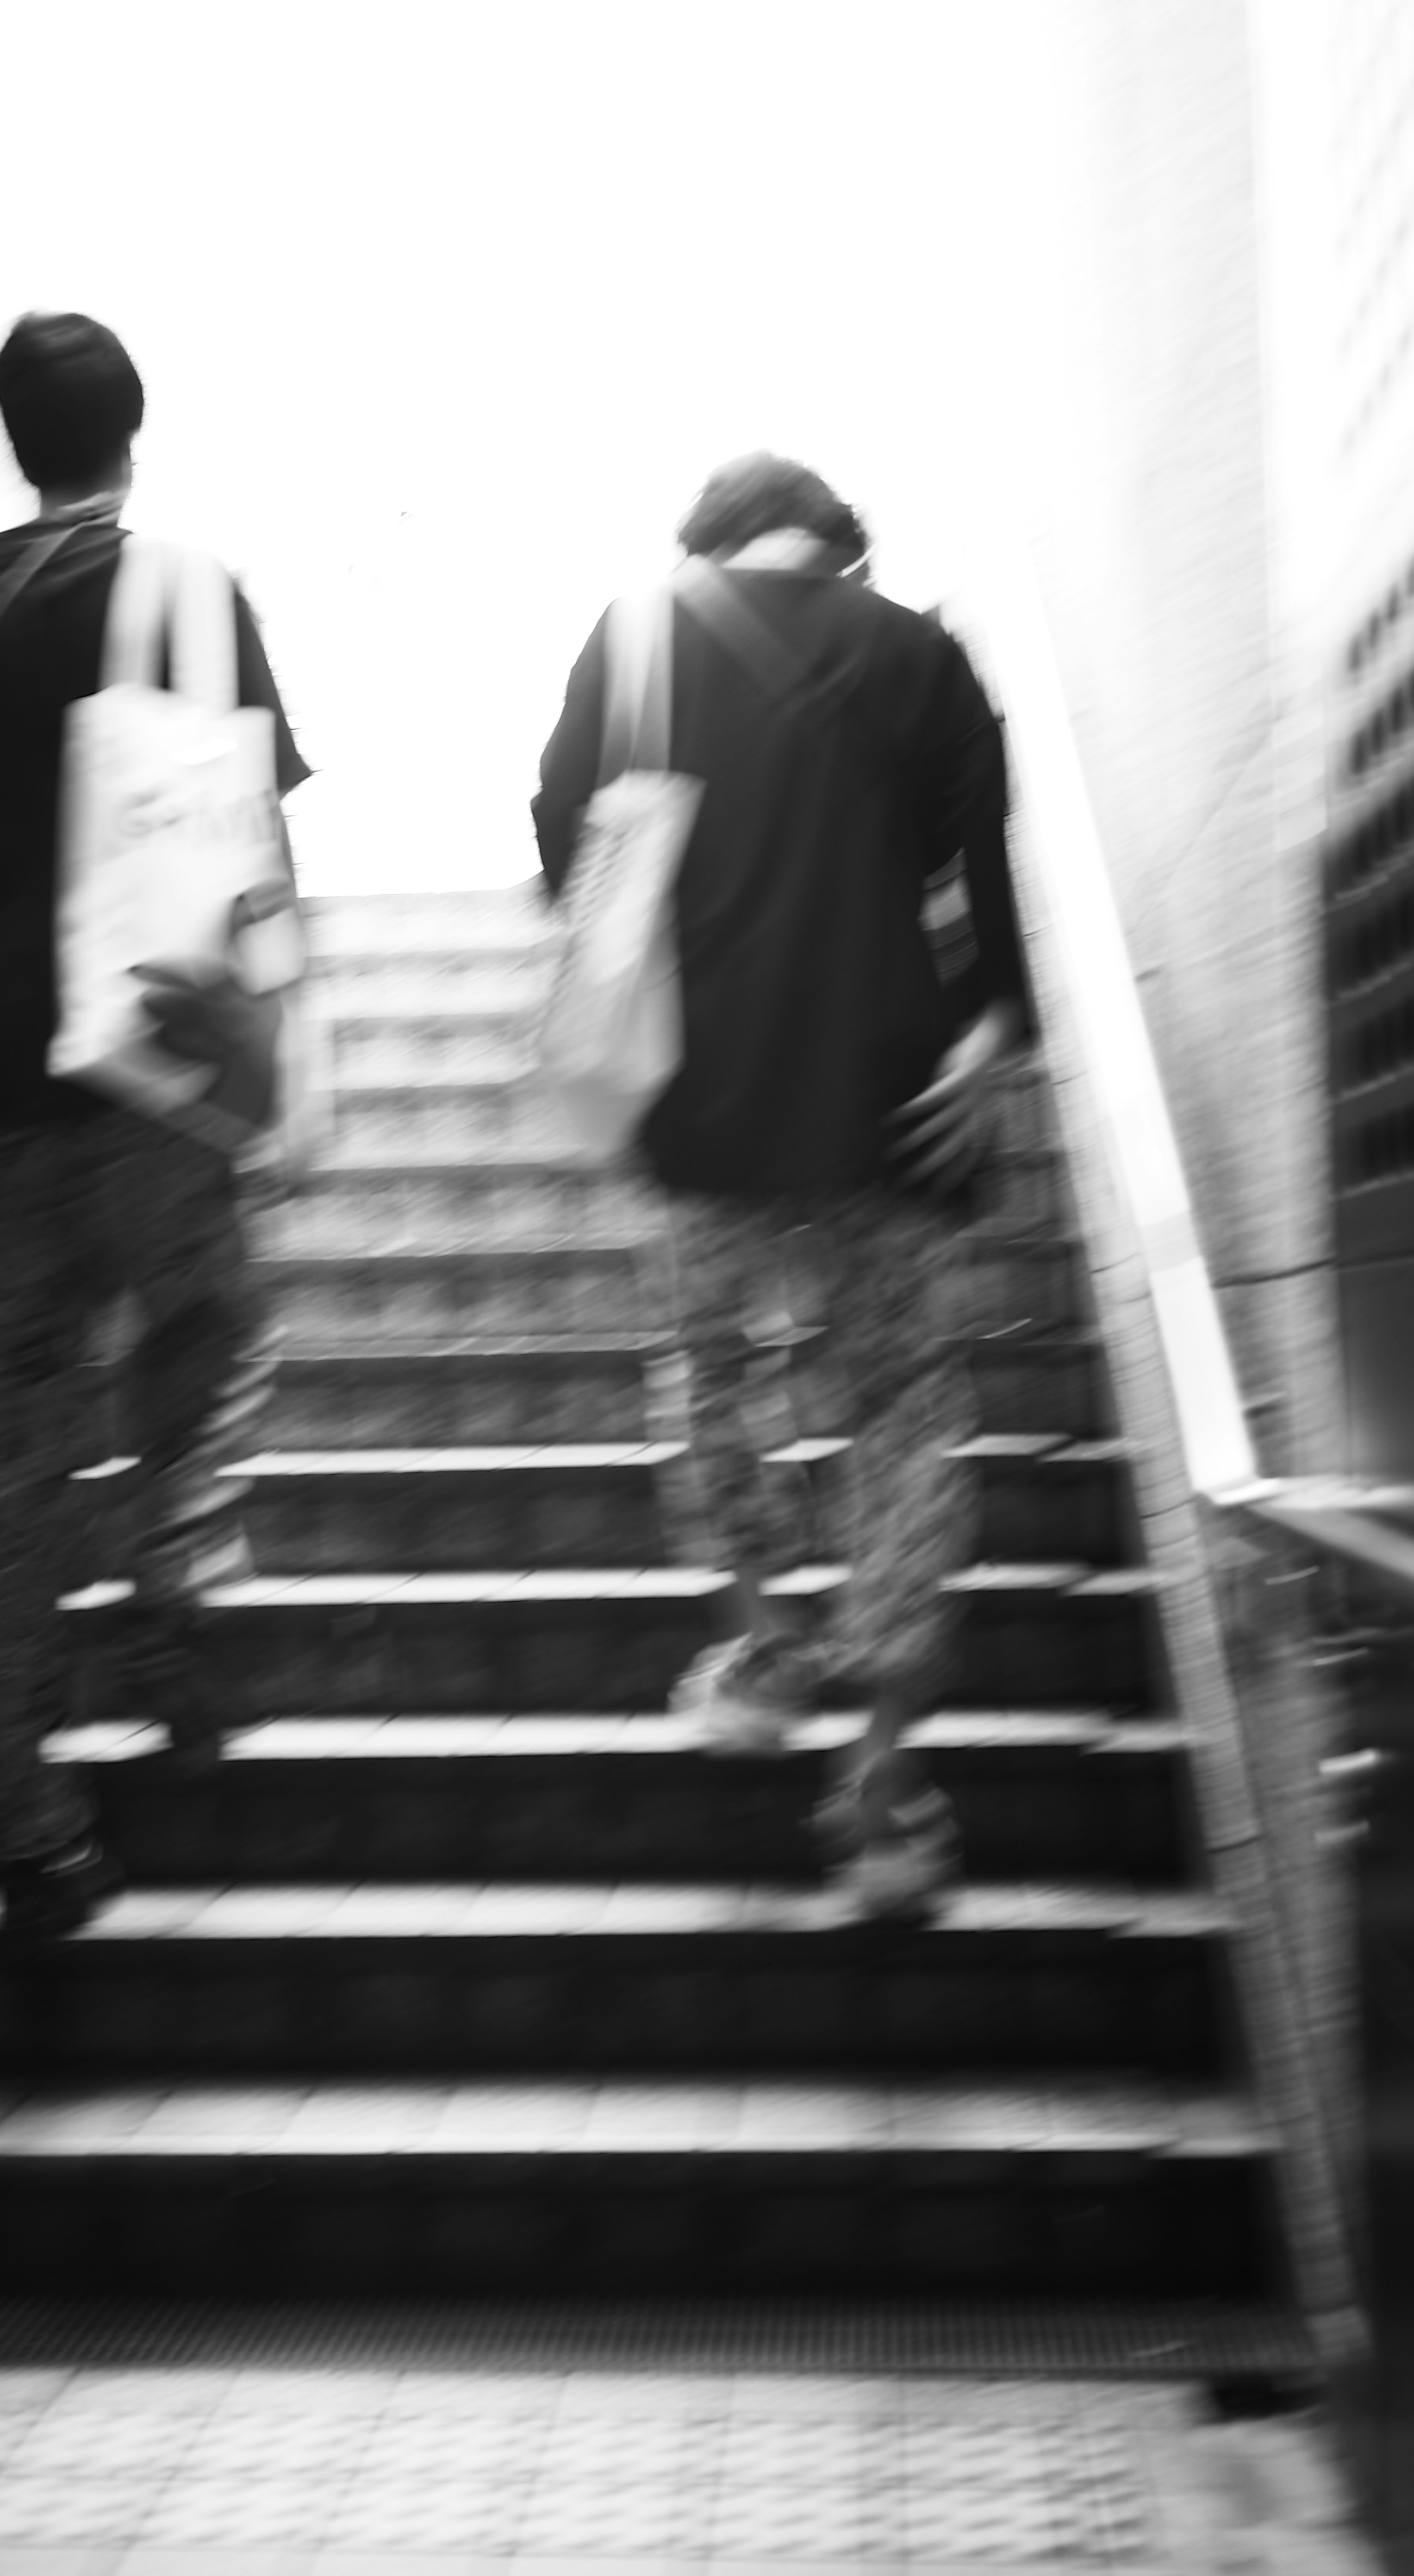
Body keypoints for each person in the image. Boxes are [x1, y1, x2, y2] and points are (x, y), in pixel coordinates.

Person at [0, 311, 311, 1938]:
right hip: (155, 1097)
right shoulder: (188, 592)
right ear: (132, 428)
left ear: (12, 437)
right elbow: (252, 871)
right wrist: (279, 1068)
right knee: (214, 1330)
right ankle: (175, 1572)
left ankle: (35, 1829)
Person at [532, 452, 1030, 1917]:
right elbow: (983, 880)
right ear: (836, 549)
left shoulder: (631, 640)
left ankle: (763, 1651)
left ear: (707, 545)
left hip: (699, 1105)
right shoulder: (916, 649)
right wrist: (994, 1037)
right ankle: (882, 1791)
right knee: (907, 1412)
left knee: (707, 1378)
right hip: (895, 1104)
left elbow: (566, 856)